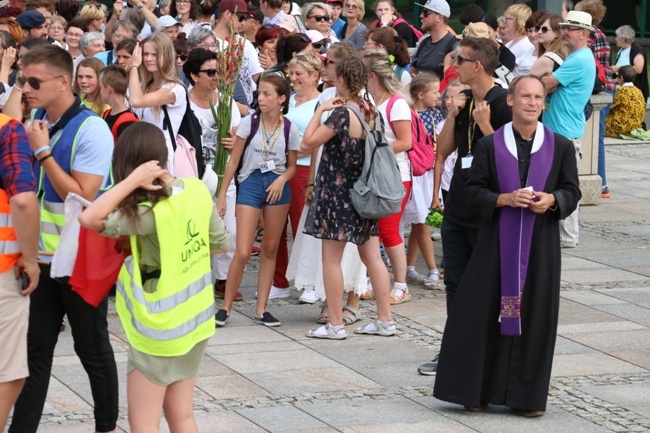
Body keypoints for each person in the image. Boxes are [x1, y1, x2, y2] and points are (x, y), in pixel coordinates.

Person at [433, 74, 581, 417]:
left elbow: (572, 192)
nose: (532, 102)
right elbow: (470, 192)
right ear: (511, 101)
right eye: (525, 96)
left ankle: (525, 397)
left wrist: (553, 200)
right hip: (495, 244)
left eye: (538, 97)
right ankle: (476, 391)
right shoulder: (490, 145)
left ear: (544, 103)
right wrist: (502, 198)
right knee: (482, 314)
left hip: (540, 247)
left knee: (534, 317)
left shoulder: (559, 146)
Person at [78, 123, 229, 433]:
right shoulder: (197, 191)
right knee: (182, 416)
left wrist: (132, 180)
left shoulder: (147, 215)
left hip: (159, 330)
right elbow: (221, 243)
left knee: (144, 424)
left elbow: (89, 217)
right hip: (197, 322)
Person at [9, 44, 117, 433]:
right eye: (22, 79)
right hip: (39, 260)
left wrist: (42, 153)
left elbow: (84, 194)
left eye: (34, 81)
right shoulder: (38, 116)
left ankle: (106, 425)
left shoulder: (92, 128)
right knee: (33, 355)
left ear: (62, 82)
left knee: (92, 349)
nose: (27, 87)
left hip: (79, 262)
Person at [419, 36, 512, 376]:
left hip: (488, 208)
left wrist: (486, 126)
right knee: (454, 281)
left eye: (460, 60)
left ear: (477, 66)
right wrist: (452, 114)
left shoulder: (503, 103)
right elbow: (442, 151)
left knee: (487, 283)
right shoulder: (465, 100)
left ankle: (486, 351)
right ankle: (454, 347)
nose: (453, 66)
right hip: (458, 202)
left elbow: (510, 162)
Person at [301, 55, 395, 339]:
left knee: (331, 260)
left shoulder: (343, 113)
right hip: (364, 193)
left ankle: (336, 323)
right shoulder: (369, 109)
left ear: (342, 80)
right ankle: (385, 320)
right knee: (372, 258)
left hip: (338, 195)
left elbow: (308, 142)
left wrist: (321, 110)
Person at [215, 74, 299, 328]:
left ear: (281, 99)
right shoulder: (248, 122)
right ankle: (225, 307)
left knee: (270, 248)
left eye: (267, 94)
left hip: (276, 186)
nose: (260, 99)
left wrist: (282, 179)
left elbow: (293, 166)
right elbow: (233, 160)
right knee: (242, 250)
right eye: (259, 94)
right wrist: (222, 195)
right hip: (251, 182)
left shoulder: (289, 128)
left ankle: (262, 309)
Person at [183, 48, 242, 302]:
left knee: (230, 230)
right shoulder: (182, 103)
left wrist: (233, 142)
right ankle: (199, 280)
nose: (216, 76)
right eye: (210, 72)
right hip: (195, 176)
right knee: (199, 230)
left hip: (223, 173)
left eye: (219, 71)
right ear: (194, 76)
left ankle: (223, 279)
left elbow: (238, 136)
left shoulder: (226, 101)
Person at [361, 48, 413, 306]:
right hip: (374, 175)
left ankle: (401, 285)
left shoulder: (397, 103)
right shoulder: (372, 101)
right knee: (373, 231)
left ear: (372, 75)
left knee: (390, 231)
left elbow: (406, 141)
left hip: (395, 176)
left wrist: (374, 149)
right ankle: (374, 280)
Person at [541, 10, 595, 248]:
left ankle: (566, 238)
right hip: (561, 130)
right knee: (558, 184)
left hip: (564, 133)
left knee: (565, 187)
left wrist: (544, 77)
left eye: (569, 29)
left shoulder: (581, 58)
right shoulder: (578, 56)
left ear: (583, 33)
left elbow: (546, 84)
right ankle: (562, 235)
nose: (564, 32)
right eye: (563, 28)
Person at [0, 113, 40, 432]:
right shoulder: (8, 129)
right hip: (3, 271)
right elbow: (24, 201)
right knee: (8, 375)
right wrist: (31, 259)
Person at [129, 32, 187, 175]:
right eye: (145, 54)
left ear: (166, 56)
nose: (148, 59)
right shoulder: (143, 86)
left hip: (164, 156)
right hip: (142, 151)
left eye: (154, 55)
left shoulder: (175, 89)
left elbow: (136, 101)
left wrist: (134, 66)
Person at [404, 72, 441, 289]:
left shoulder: (434, 115)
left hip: (427, 174)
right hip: (417, 173)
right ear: (420, 95)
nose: (438, 96)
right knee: (422, 223)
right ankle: (432, 269)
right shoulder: (412, 116)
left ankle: (409, 267)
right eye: (434, 92)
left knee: (422, 223)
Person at [575, 0, 614, 198]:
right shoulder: (601, 33)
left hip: (598, 89)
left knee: (595, 139)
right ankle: (603, 183)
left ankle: (602, 185)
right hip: (608, 87)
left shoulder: (588, 35)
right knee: (598, 138)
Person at [411, 0, 455, 79]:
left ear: (439, 17)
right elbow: (413, 71)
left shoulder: (452, 44)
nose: (421, 15)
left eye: (425, 12)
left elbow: (453, 81)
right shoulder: (425, 42)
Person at [99, 64, 139, 142]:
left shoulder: (127, 122)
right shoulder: (107, 113)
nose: (100, 92)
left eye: (100, 87)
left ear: (108, 89)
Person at [611, 25, 649, 101]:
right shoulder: (621, 50)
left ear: (623, 39)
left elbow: (638, 69)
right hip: (621, 88)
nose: (615, 39)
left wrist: (618, 68)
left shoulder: (637, 49)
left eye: (617, 36)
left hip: (634, 92)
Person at [605, 65, 645, 137]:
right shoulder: (638, 91)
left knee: (600, 120)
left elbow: (608, 107)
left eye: (618, 77)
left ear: (621, 78)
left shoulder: (621, 91)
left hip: (622, 128)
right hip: (636, 126)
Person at [502, 4, 535, 76]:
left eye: (507, 19)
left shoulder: (524, 44)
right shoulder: (511, 43)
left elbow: (503, 66)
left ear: (519, 21)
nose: (504, 22)